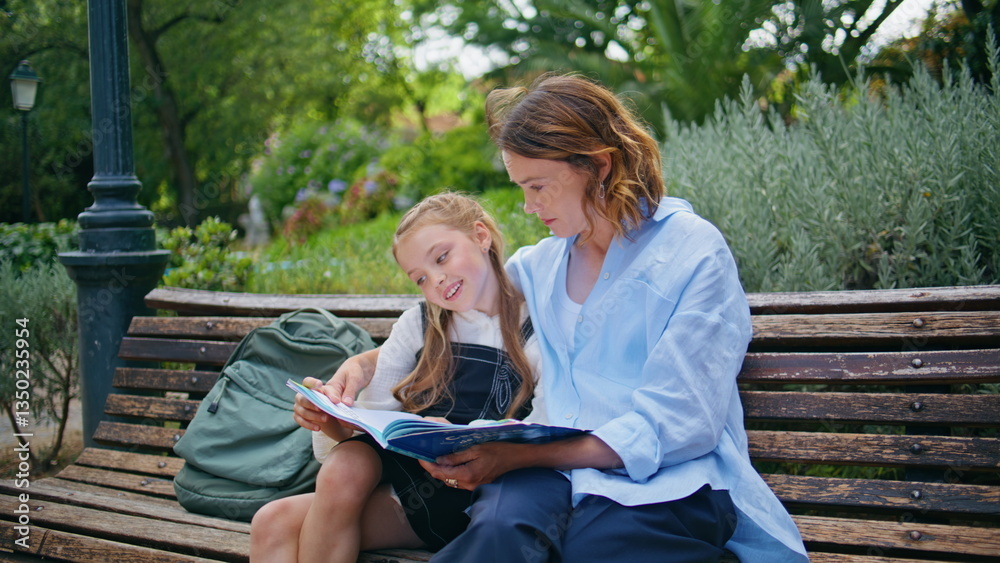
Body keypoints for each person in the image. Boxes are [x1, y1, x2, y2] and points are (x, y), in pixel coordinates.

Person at [320, 74, 809, 562]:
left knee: (586, 549)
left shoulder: (693, 254)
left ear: (598, 165)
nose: (529, 207)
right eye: (522, 188)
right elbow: (468, 314)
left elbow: (676, 425)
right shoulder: (541, 266)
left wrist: (522, 456)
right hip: (548, 476)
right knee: (495, 533)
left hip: (665, 483)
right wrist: (366, 365)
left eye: (538, 187)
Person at [249, 193, 545, 563]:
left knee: (319, 490)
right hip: (413, 493)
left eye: (441, 257)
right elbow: (367, 430)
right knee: (273, 519)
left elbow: (548, 429)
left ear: (481, 236)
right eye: (420, 277)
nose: (437, 279)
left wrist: (458, 439)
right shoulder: (420, 324)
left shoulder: (537, 328)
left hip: (481, 497)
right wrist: (329, 416)